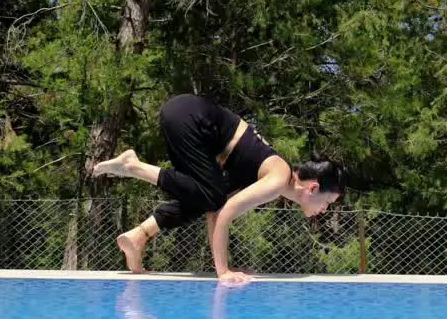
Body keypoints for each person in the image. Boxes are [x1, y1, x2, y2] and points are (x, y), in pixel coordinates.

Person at [92, 93, 345, 285]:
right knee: (211, 195)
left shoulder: (268, 173)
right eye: (328, 202)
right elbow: (226, 215)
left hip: (184, 116)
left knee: (207, 197)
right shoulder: (277, 179)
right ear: (312, 188)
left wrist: (222, 268)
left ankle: (138, 236)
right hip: (189, 117)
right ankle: (133, 166)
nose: (324, 210)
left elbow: (215, 211)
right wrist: (223, 272)